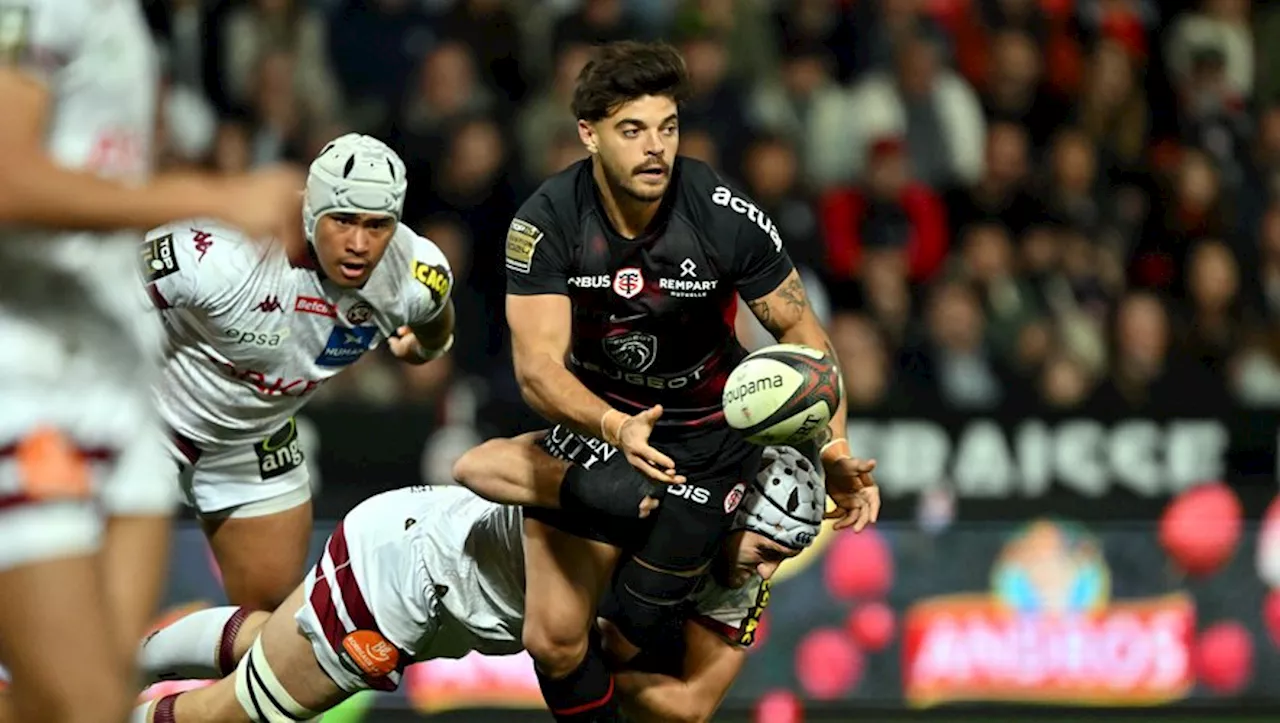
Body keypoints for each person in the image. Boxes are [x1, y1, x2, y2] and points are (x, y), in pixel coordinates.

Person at [484, 39, 879, 722]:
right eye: (632, 130)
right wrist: (612, 426)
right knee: (553, 641)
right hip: (603, 435)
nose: (655, 148)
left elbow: (806, 340)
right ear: (589, 134)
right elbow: (536, 369)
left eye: (667, 128)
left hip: (716, 448)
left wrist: (834, 449)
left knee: (649, 665)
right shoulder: (545, 222)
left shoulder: (722, 212)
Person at [0, 0, 304, 719]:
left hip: (117, 382)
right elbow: (7, 181)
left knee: (102, 696)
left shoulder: (130, 19)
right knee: (71, 701)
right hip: (31, 380)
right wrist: (210, 196)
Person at [130, 444, 824, 723]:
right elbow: (477, 462)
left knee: (267, 642)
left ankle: (120, 661)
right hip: (405, 579)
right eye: (766, 548)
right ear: (731, 509)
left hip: (435, 586)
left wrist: (610, 663)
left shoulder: (731, 573)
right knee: (230, 715)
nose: (768, 570)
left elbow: (695, 702)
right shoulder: (639, 496)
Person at [142, 133, 455, 611]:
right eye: (343, 221)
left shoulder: (414, 273)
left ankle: (179, 678)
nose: (358, 244)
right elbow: (95, 288)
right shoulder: (219, 250)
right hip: (149, 425)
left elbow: (436, 311)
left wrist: (426, 346)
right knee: (96, 603)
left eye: (377, 226)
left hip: (256, 436)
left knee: (271, 617)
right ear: (310, 211)